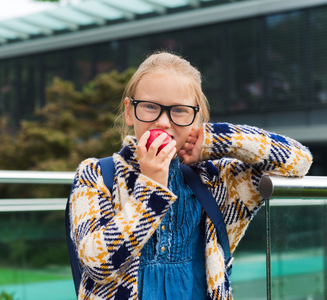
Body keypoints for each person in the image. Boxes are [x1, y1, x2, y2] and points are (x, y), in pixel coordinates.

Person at [68, 51, 312, 300]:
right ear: (130, 111)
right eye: (151, 107)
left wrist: (218, 139)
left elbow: (298, 160)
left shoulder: (216, 181)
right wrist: (150, 189)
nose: (163, 122)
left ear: (198, 119)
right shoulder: (97, 174)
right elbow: (97, 264)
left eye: (180, 111)